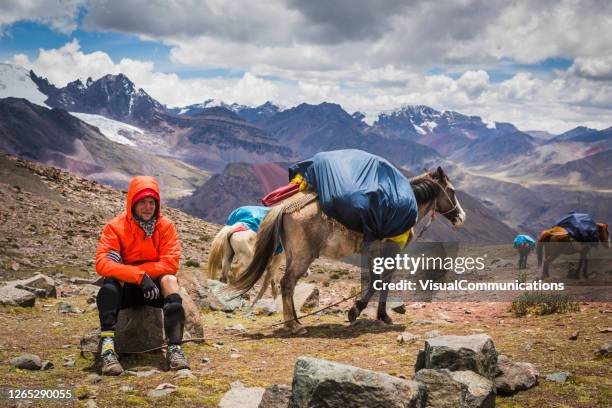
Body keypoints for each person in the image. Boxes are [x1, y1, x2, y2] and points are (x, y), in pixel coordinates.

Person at [95, 176, 188, 375]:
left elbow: (170, 263)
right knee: (110, 284)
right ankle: (108, 349)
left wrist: (142, 274)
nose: (148, 207)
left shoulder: (166, 226)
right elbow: (103, 263)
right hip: (128, 288)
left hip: (152, 289)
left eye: (152, 202)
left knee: (170, 280)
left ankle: (174, 348)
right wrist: (137, 276)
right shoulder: (116, 227)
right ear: (132, 203)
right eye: (142, 202)